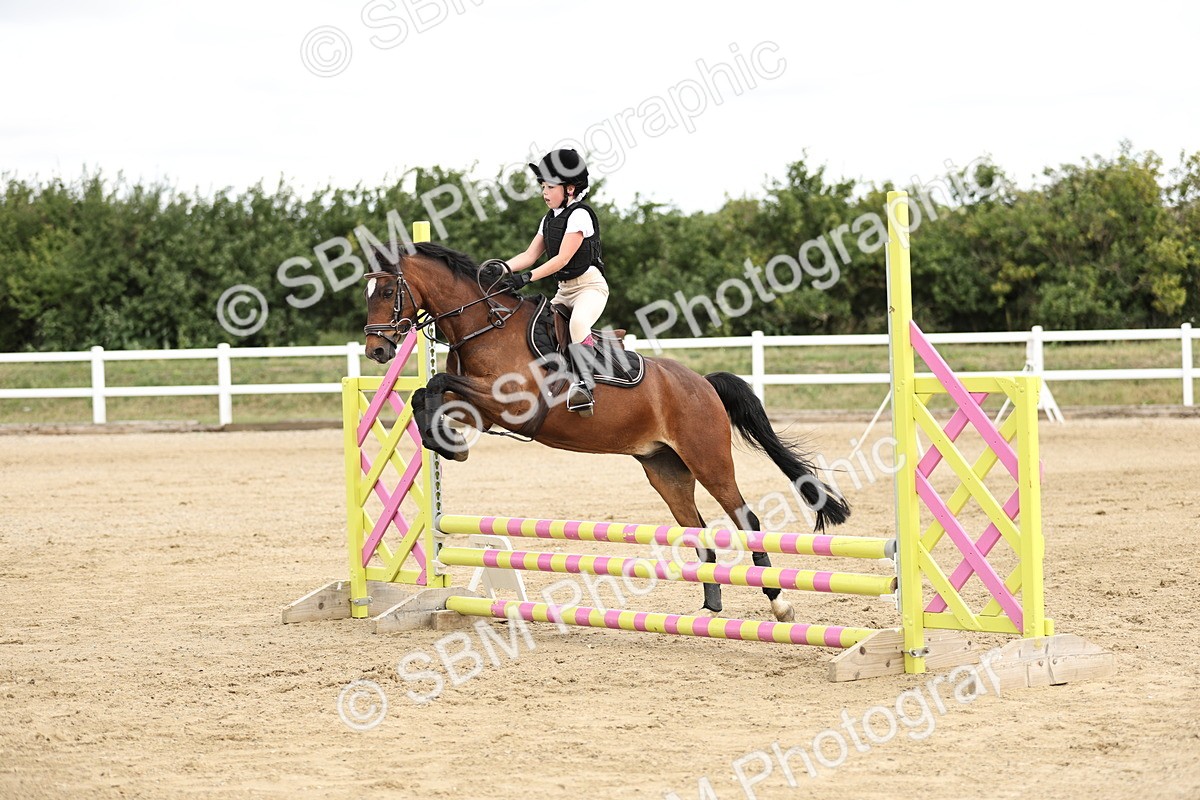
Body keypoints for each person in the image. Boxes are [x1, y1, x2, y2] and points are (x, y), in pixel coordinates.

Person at [504, 148, 609, 416]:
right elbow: (529, 255)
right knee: (537, 326)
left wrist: (527, 278)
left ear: (570, 189)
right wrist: (501, 267)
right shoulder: (548, 219)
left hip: (589, 288)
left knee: (577, 323)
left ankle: (585, 385)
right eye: (542, 186)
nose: (544, 192)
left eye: (550, 186)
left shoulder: (580, 215)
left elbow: (562, 259)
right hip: (564, 291)